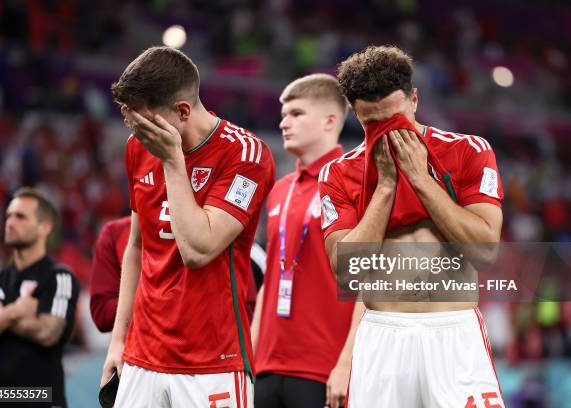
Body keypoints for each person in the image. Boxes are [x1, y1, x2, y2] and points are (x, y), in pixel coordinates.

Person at [318, 46, 505, 407]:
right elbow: (346, 274)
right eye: (373, 124)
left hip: (453, 332)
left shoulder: (468, 151)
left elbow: (485, 251)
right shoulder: (338, 173)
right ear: (356, 117)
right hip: (383, 337)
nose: (387, 133)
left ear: (414, 100)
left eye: (394, 119)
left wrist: (421, 178)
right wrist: (386, 186)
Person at [101, 46, 275, 407]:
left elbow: (198, 249)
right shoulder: (138, 147)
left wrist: (172, 162)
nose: (133, 128)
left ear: (181, 111)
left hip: (212, 362)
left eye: (143, 119)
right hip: (141, 357)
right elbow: (136, 246)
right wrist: (118, 341)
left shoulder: (246, 155)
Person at [251, 73, 363, 408]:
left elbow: (367, 283)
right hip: (266, 366)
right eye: (284, 114)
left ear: (330, 120)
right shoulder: (280, 188)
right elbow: (271, 277)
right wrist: (250, 356)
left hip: (323, 369)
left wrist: (346, 364)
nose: (284, 122)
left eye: (297, 114)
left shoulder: (356, 181)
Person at [0, 187, 80, 408]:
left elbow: (48, 332)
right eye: (9, 216)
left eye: (20, 216)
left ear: (45, 227)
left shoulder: (59, 277)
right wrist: (14, 312)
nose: (10, 222)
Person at [89, 216, 263, 332]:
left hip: (205, 362)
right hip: (138, 361)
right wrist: (165, 300)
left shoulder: (219, 230)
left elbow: (247, 310)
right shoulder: (115, 234)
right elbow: (102, 314)